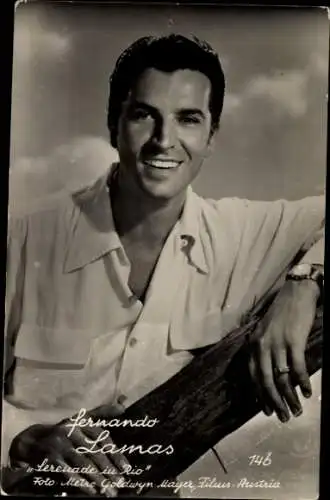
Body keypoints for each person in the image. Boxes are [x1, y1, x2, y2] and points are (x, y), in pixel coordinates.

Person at [2, 34, 325, 496]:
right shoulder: (25, 241)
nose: (163, 141)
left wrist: (304, 281)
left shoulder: (244, 234)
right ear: (113, 124)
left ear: (211, 136)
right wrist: (23, 435)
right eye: (143, 115)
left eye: (188, 119)